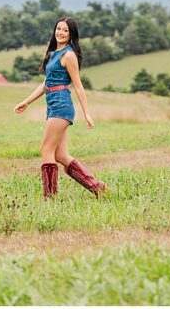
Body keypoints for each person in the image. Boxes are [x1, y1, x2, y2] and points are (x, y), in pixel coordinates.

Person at [14, 16, 107, 198]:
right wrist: (26, 101)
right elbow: (46, 83)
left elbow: (78, 85)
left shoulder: (68, 55)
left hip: (61, 105)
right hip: (53, 105)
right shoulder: (52, 54)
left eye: (65, 30)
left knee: (46, 150)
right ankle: (98, 188)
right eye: (59, 29)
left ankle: (50, 198)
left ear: (71, 34)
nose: (61, 33)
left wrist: (87, 113)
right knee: (62, 156)